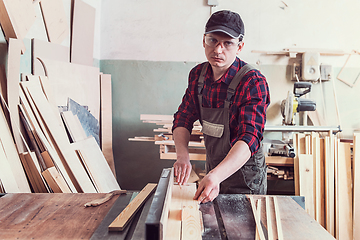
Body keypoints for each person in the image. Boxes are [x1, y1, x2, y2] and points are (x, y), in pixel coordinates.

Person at [172, 10, 270, 204]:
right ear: (203, 40)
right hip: (214, 172)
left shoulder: (253, 81)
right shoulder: (197, 76)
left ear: (240, 46)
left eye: (228, 43)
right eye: (213, 40)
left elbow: (249, 137)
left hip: (245, 179)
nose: (218, 50)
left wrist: (216, 175)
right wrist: (182, 156)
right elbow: (183, 117)